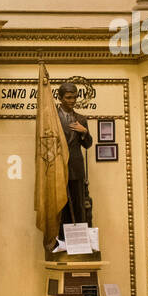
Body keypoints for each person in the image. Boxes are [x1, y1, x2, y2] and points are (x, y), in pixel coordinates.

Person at [56, 81, 92, 225]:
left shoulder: (81, 119)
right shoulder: (53, 118)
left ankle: (78, 240)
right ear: (60, 97)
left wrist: (84, 132)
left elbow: (88, 144)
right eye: (68, 97)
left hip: (76, 168)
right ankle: (62, 239)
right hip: (58, 168)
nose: (72, 101)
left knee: (79, 206)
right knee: (61, 206)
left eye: (74, 97)